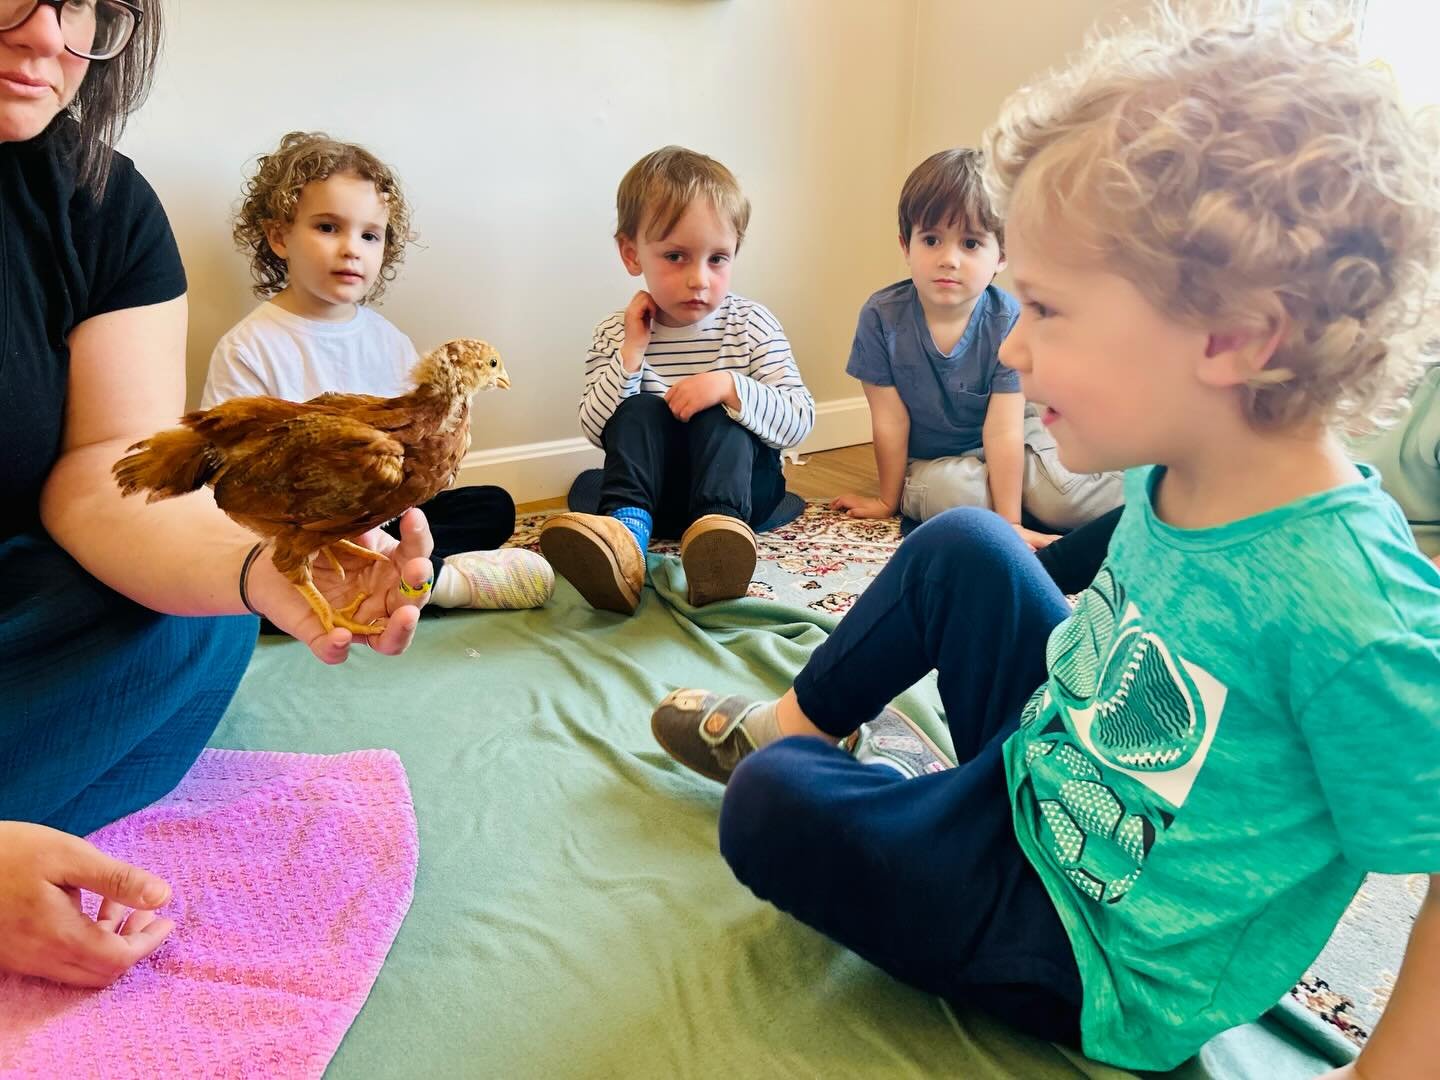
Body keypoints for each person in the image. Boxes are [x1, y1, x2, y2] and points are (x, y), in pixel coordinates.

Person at [647, 3, 1440, 1074]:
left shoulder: (1355, 609)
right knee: (971, 542)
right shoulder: (1180, 469)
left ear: (1235, 338)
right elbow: (1055, 577)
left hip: (1085, 944)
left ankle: (853, 771)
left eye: (1049, 311)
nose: (1013, 343)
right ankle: (798, 721)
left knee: (772, 809)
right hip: (1038, 768)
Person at [0, 0, 434, 989]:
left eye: (84, 9)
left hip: (23, 594)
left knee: (210, 618)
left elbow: (107, 473)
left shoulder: (103, 205)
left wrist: (269, 565)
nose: (48, 39)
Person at [202, 130, 551, 611]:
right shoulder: (250, 347)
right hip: (303, 527)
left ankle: (403, 573)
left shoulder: (390, 340)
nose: (352, 249)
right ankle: (442, 584)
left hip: (379, 514)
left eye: (370, 235)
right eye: (328, 228)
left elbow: (415, 444)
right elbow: (224, 476)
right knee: (240, 588)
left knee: (491, 505)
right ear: (279, 236)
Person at [539, 146, 815, 615]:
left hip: (742, 493)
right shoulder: (617, 331)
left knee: (721, 417)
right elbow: (596, 429)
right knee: (640, 409)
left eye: (717, 259)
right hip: (657, 496)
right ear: (632, 254)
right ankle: (625, 540)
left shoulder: (751, 324)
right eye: (676, 256)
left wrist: (730, 387)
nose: (699, 279)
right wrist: (632, 351)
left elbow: (800, 420)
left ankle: (719, 544)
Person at [831, 148, 1120, 544]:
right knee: (953, 499)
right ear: (905, 246)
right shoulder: (881, 317)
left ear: (1001, 255)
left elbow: (1003, 430)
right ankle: (1007, 503)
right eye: (931, 240)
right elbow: (890, 421)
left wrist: (1012, 526)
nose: (948, 259)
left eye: (970, 244)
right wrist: (887, 500)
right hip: (936, 460)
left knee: (1062, 500)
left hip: (1013, 438)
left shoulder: (1009, 319)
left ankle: (1158, 488)